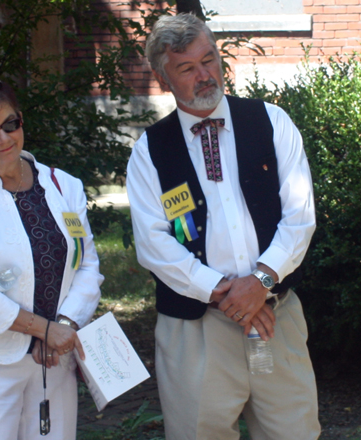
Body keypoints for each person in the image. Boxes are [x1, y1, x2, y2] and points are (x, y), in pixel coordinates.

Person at [126, 13, 321, 440]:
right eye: (187, 68)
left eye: (209, 59)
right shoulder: (149, 151)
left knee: (295, 432)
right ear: (163, 79)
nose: (204, 75)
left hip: (275, 314)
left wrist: (260, 281)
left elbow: (300, 215)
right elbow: (153, 243)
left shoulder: (271, 122)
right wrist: (225, 293)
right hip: (195, 329)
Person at [0, 77, 104, 440]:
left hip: (54, 358)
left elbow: (87, 265)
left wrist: (64, 325)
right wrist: (43, 329)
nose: (5, 139)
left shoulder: (65, 186)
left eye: (11, 124)